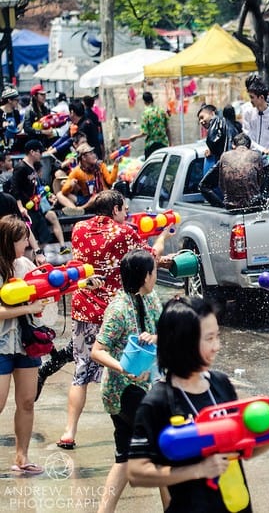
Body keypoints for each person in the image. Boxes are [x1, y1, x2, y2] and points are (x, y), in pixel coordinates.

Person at [127, 296, 269, 511]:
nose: (217, 346)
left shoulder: (220, 384)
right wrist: (199, 470)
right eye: (209, 339)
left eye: (217, 336)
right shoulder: (158, 401)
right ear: (182, 342)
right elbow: (136, 473)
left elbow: (244, 448)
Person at [54, 190, 174, 450]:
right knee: (130, 369)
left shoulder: (78, 228)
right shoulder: (124, 233)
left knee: (82, 371)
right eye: (124, 209)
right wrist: (164, 235)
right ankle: (129, 425)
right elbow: (149, 259)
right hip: (116, 312)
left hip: (84, 306)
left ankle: (69, 432)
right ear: (116, 208)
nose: (127, 214)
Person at [90, 249, 163, 512]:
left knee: (124, 456)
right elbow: (97, 351)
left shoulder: (151, 298)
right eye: (154, 271)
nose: (156, 274)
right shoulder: (119, 309)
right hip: (123, 391)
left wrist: (155, 338)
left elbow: (163, 329)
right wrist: (123, 368)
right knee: (161, 449)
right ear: (145, 276)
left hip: (143, 386)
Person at [0, 216, 47, 475]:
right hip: (1, 344)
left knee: (27, 401)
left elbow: (42, 292)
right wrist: (29, 307)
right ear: (9, 240)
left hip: (27, 343)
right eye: (22, 239)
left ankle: (22, 457)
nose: (27, 243)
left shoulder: (25, 264)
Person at [10, 140, 69, 252]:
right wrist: (20, 207)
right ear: (32, 152)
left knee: (44, 237)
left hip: (36, 207)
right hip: (27, 209)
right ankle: (34, 260)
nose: (41, 155)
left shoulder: (32, 167)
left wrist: (47, 196)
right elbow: (15, 188)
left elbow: (37, 187)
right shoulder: (21, 167)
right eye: (39, 152)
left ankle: (37, 258)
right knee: (29, 241)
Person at [200, 133, 266, 209]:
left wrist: (221, 206)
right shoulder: (256, 156)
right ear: (249, 147)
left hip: (231, 207)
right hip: (254, 206)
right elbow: (261, 182)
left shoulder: (225, 156)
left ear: (233, 146)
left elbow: (206, 185)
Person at [56, 142, 120, 212]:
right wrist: (70, 185)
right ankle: (75, 210)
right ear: (83, 157)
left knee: (96, 197)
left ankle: (81, 209)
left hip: (101, 196)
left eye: (93, 153)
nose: (94, 155)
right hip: (86, 198)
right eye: (91, 154)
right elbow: (64, 192)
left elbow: (110, 180)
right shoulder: (77, 171)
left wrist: (116, 165)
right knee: (59, 195)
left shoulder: (100, 165)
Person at [241, 80, 269, 162]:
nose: (250, 100)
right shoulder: (248, 113)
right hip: (251, 159)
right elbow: (247, 137)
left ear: (261, 97)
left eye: (252, 97)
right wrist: (263, 150)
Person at [129, 91, 171, 158]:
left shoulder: (146, 113)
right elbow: (167, 129)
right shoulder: (162, 111)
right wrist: (170, 144)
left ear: (144, 101)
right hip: (163, 144)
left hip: (151, 145)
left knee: (151, 168)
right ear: (152, 100)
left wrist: (135, 137)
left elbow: (145, 132)